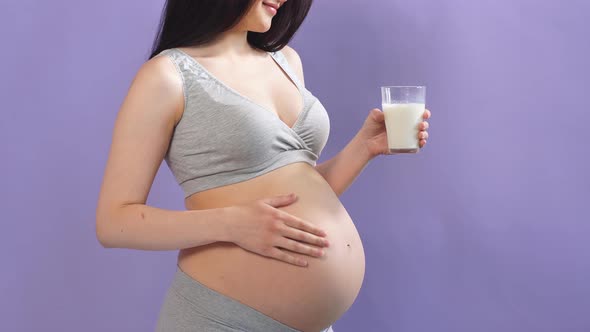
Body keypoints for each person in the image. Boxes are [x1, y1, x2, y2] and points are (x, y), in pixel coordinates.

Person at [95, 0, 431, 331]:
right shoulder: (167, 75)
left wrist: (363, 149)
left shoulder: (286, 61)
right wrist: (229, 224)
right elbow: (113, 221)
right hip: (220, 321)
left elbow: (292, 198)